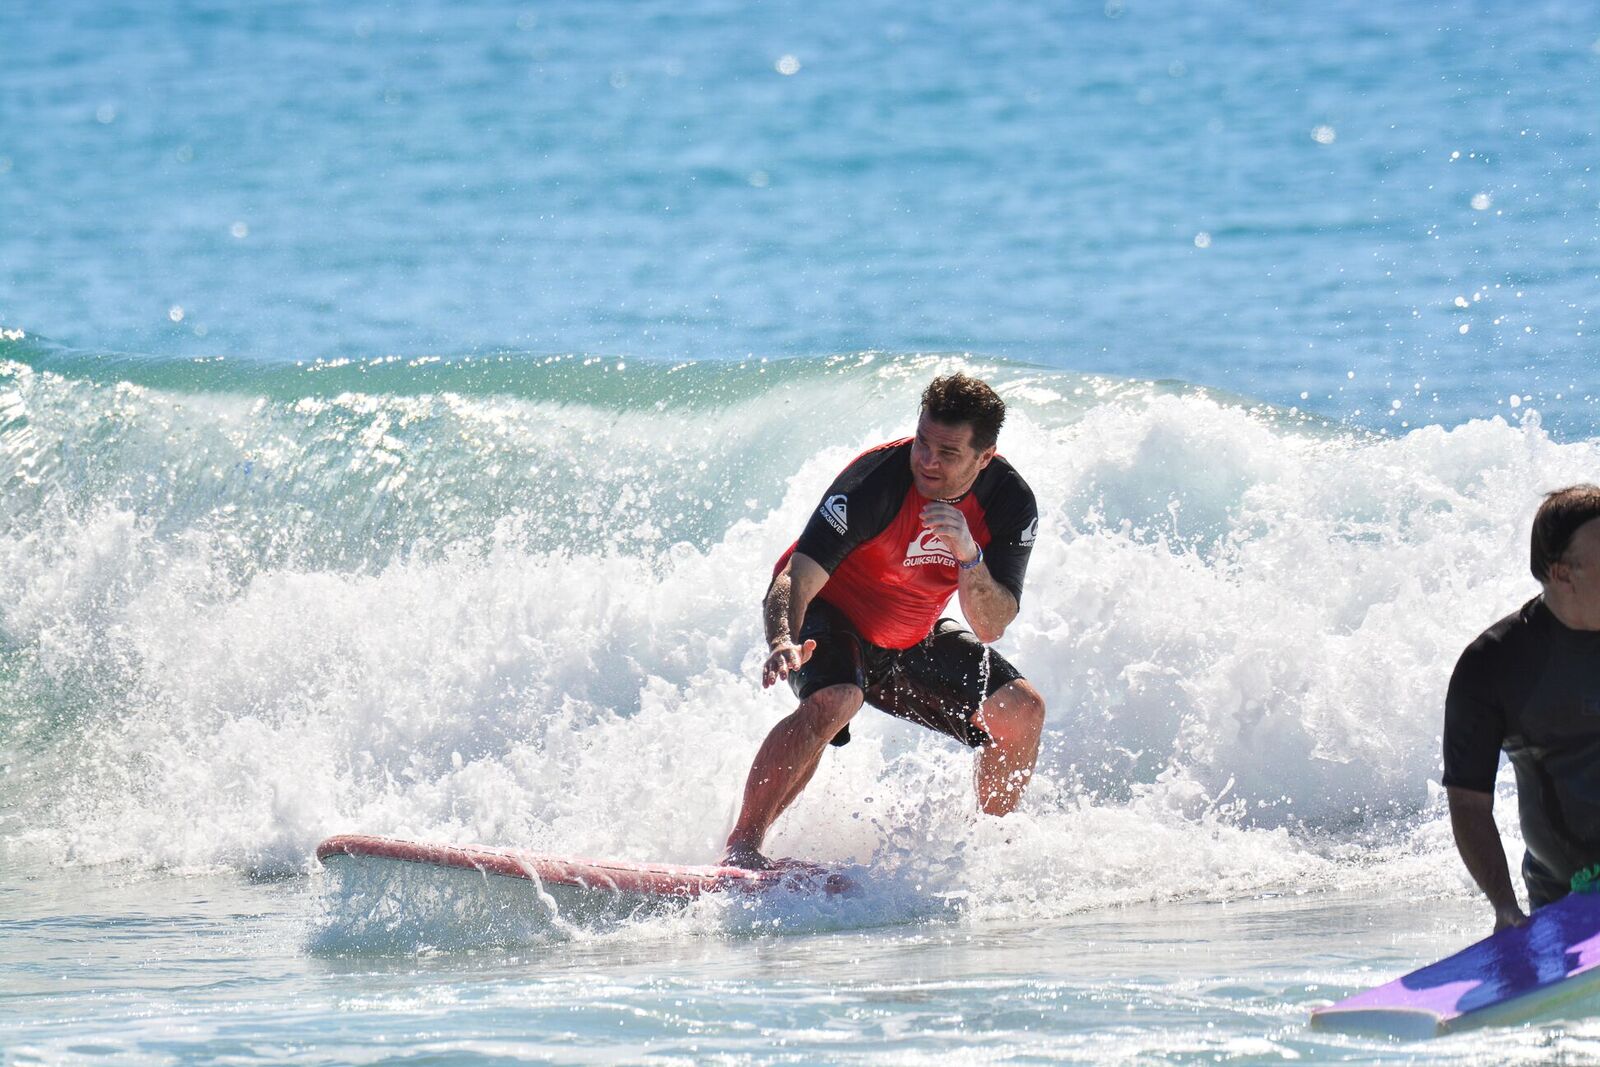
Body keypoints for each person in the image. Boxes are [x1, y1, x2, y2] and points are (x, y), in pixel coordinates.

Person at [722, 373, 1046, 869]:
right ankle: (741, 851)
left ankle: (990, 857)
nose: (927, 461)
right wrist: (784, 638)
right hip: (830, 615)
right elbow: (796, 576)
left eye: (948, 453)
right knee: (837, 697)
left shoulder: (1009, 503)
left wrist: (969, 556)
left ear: (984, 457)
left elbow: (990, 624)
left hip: (909, 634)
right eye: (922, 442)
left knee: (1022, 711)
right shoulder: (878, 480)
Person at [1444, 484, 1600, 931]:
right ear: (1562, 574)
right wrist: (1505, 908)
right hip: (1567, 905)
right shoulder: (1493, 665)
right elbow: (1469, 804)